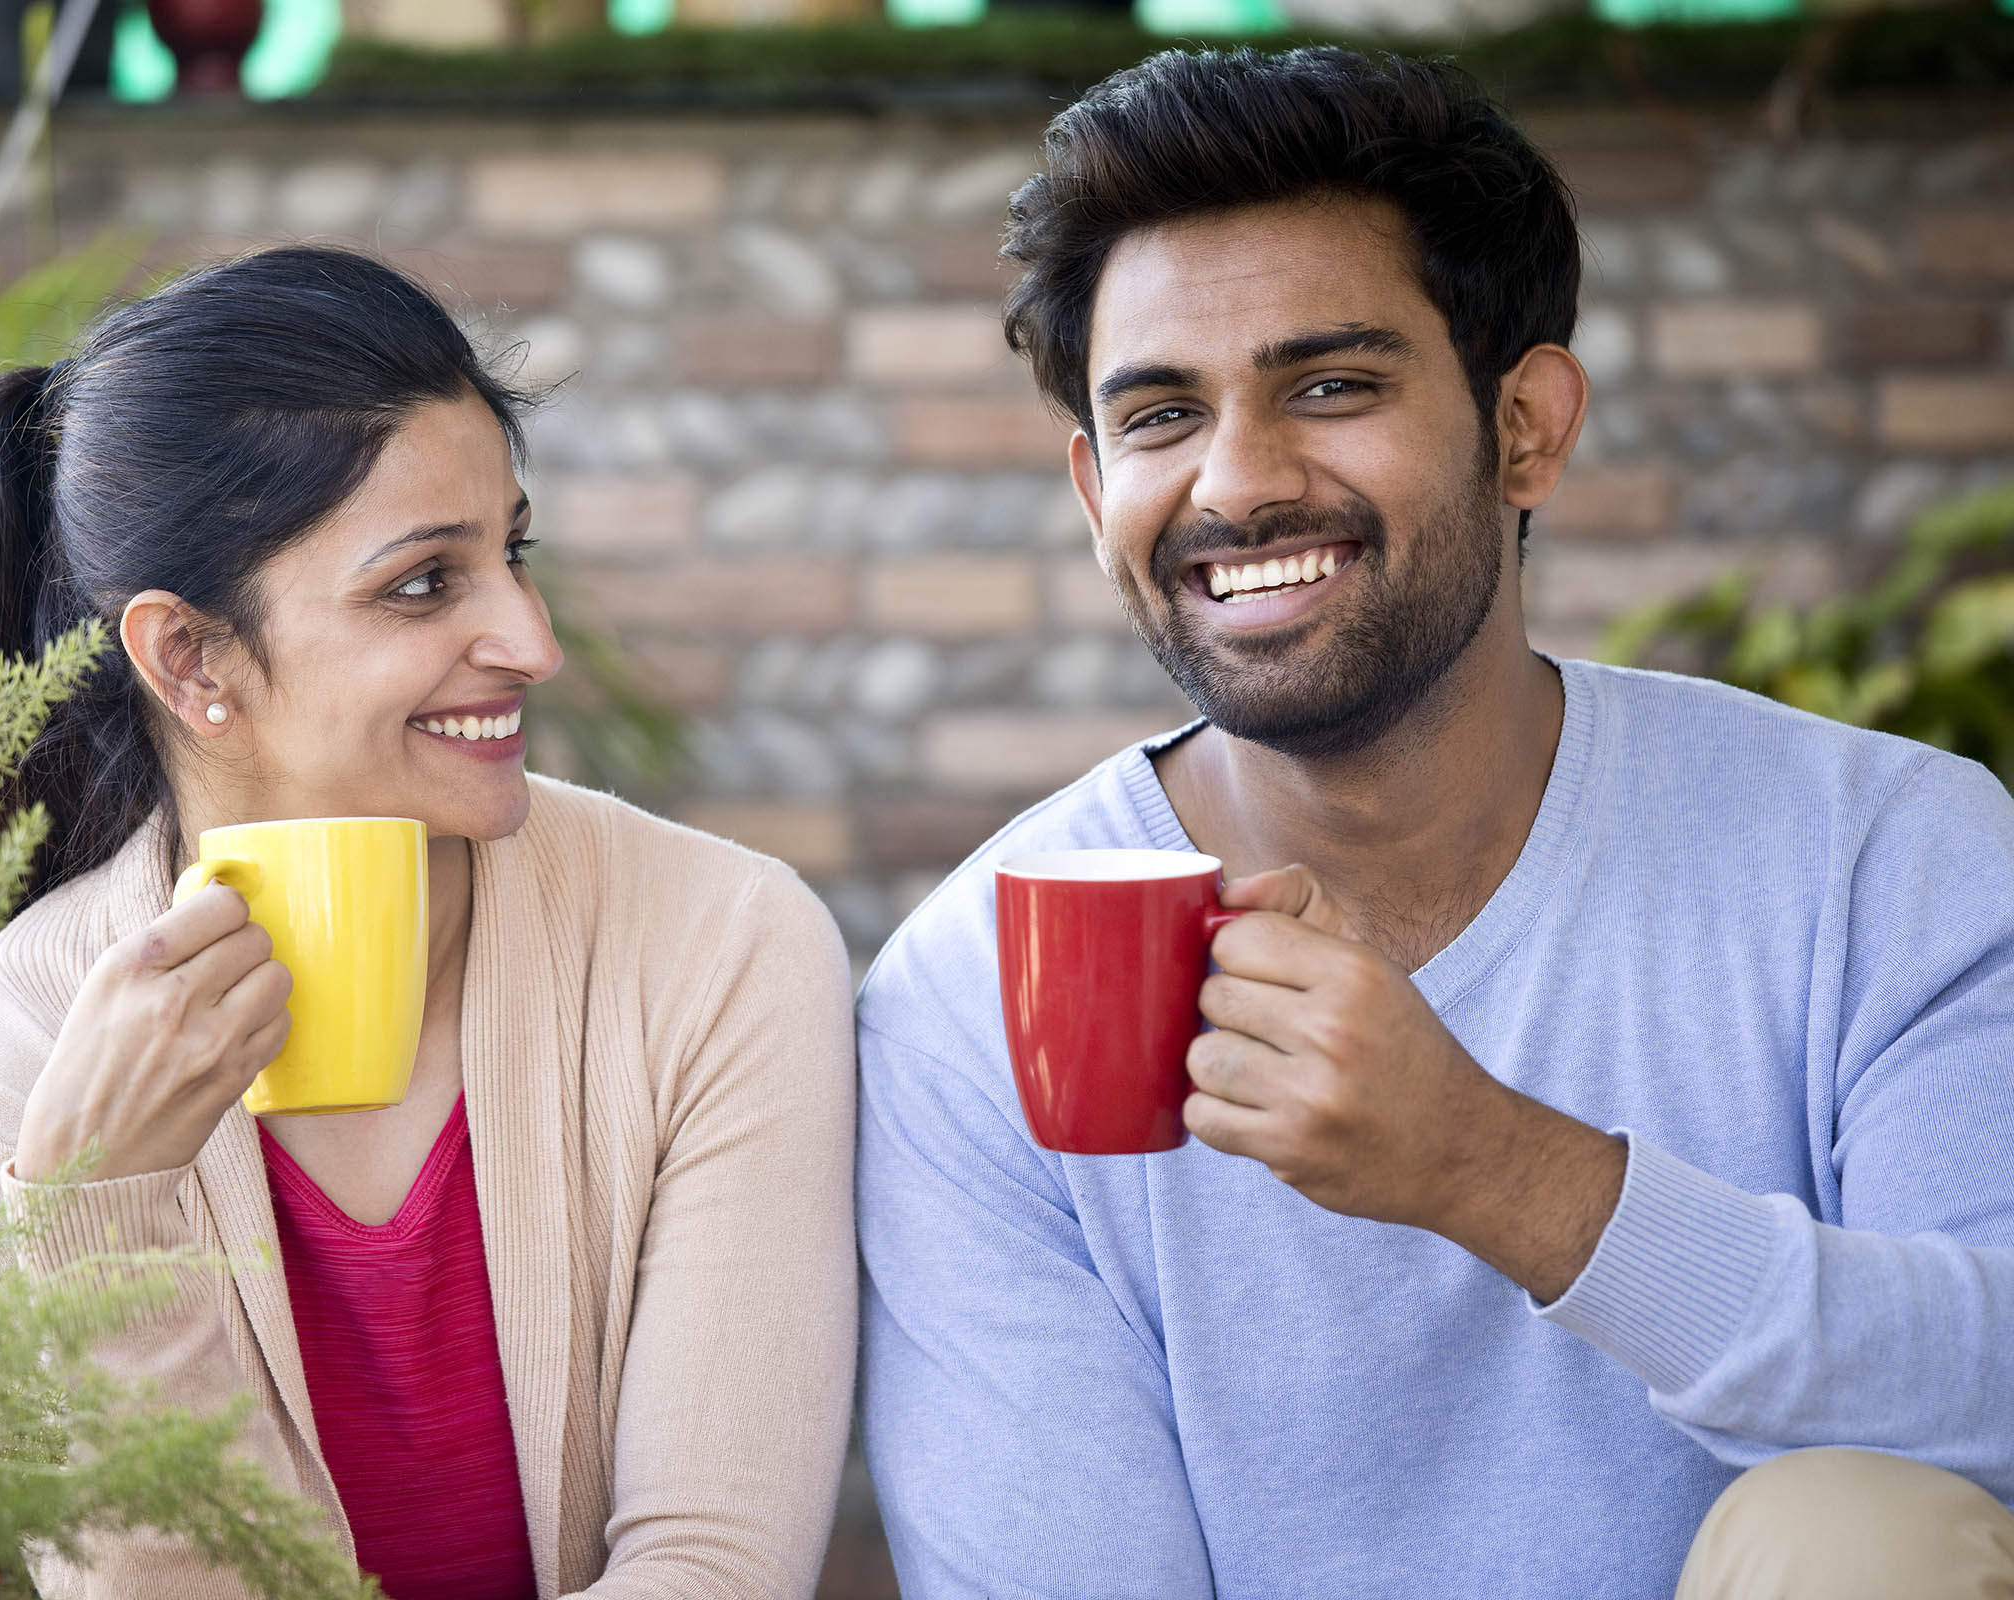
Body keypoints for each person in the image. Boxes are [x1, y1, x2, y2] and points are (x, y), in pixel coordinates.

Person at [854, 46, 2014, 1600]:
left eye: (1331, 385)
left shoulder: (1882, 853)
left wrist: (1492, 1171)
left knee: (1863, 1533)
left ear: (1527, 424)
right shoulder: (963, 998)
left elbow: (1993, 1392)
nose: (1237, 483)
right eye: (1159, 417)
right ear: (1090, 487)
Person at [0, 246, 856, 1600]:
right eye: (421, 585)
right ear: (192, 658)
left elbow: (715, 1570)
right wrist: (99, 1222)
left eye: (511, 552)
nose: (531, 639)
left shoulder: (718, 948)